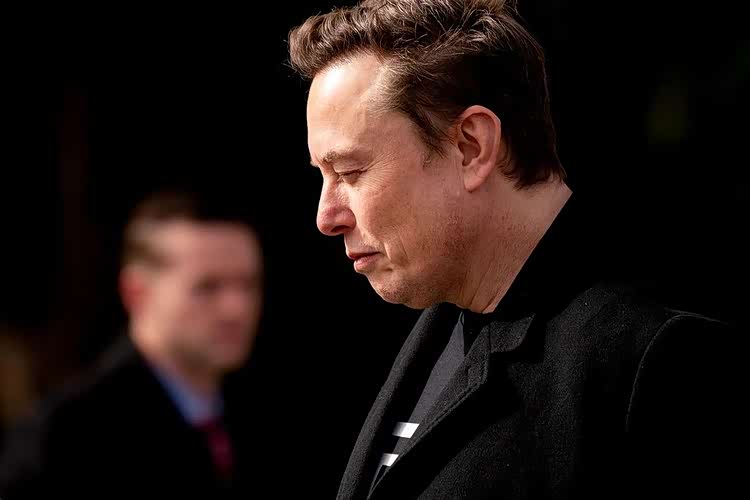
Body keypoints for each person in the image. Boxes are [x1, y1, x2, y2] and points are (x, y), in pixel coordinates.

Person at [288, 1, 741, 498]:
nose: (326, 217)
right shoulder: (437, 325)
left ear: (472, 146)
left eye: (350, 172)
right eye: (323, 175)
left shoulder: (659, 360)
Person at [0, 190, 264, 499]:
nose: (236, 309)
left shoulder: (260, 411)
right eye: (207, 287)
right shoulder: (67, 436)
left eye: (248, 284)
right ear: (136, 293)